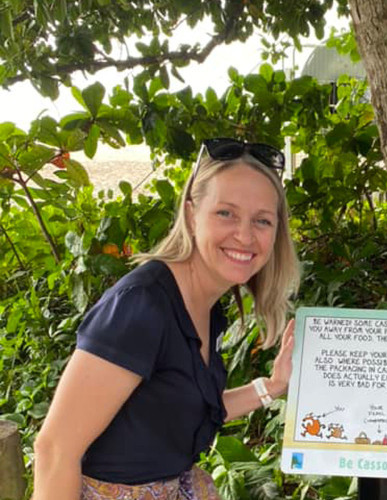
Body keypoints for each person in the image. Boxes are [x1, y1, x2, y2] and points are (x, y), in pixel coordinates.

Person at [33, 137, 300, 499]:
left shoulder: (207, 305)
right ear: (191, 214)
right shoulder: (142, 306)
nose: (245, 235)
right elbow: (55, 450)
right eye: (226, 213)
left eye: (262, 220)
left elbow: (185, 407)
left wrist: (271, 387)